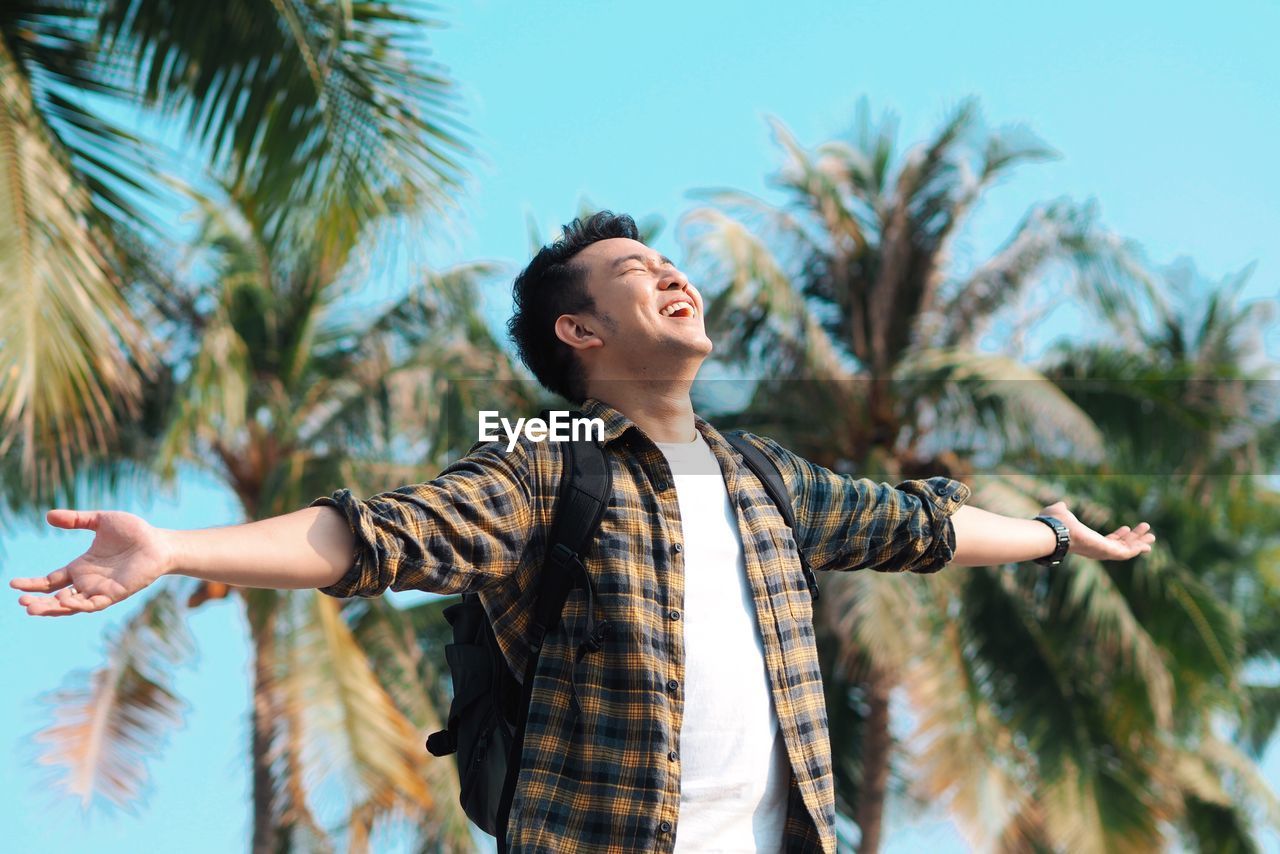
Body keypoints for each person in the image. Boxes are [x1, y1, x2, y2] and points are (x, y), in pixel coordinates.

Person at [11, 212, 1155, 853]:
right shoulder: (546, 471)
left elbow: (919, 527)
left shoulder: (767, 478)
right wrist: (173, 546)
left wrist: (1053, 537)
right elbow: (375, 537)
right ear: (580, 330)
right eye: (629, 272)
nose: (666, 272)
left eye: (665, 263)